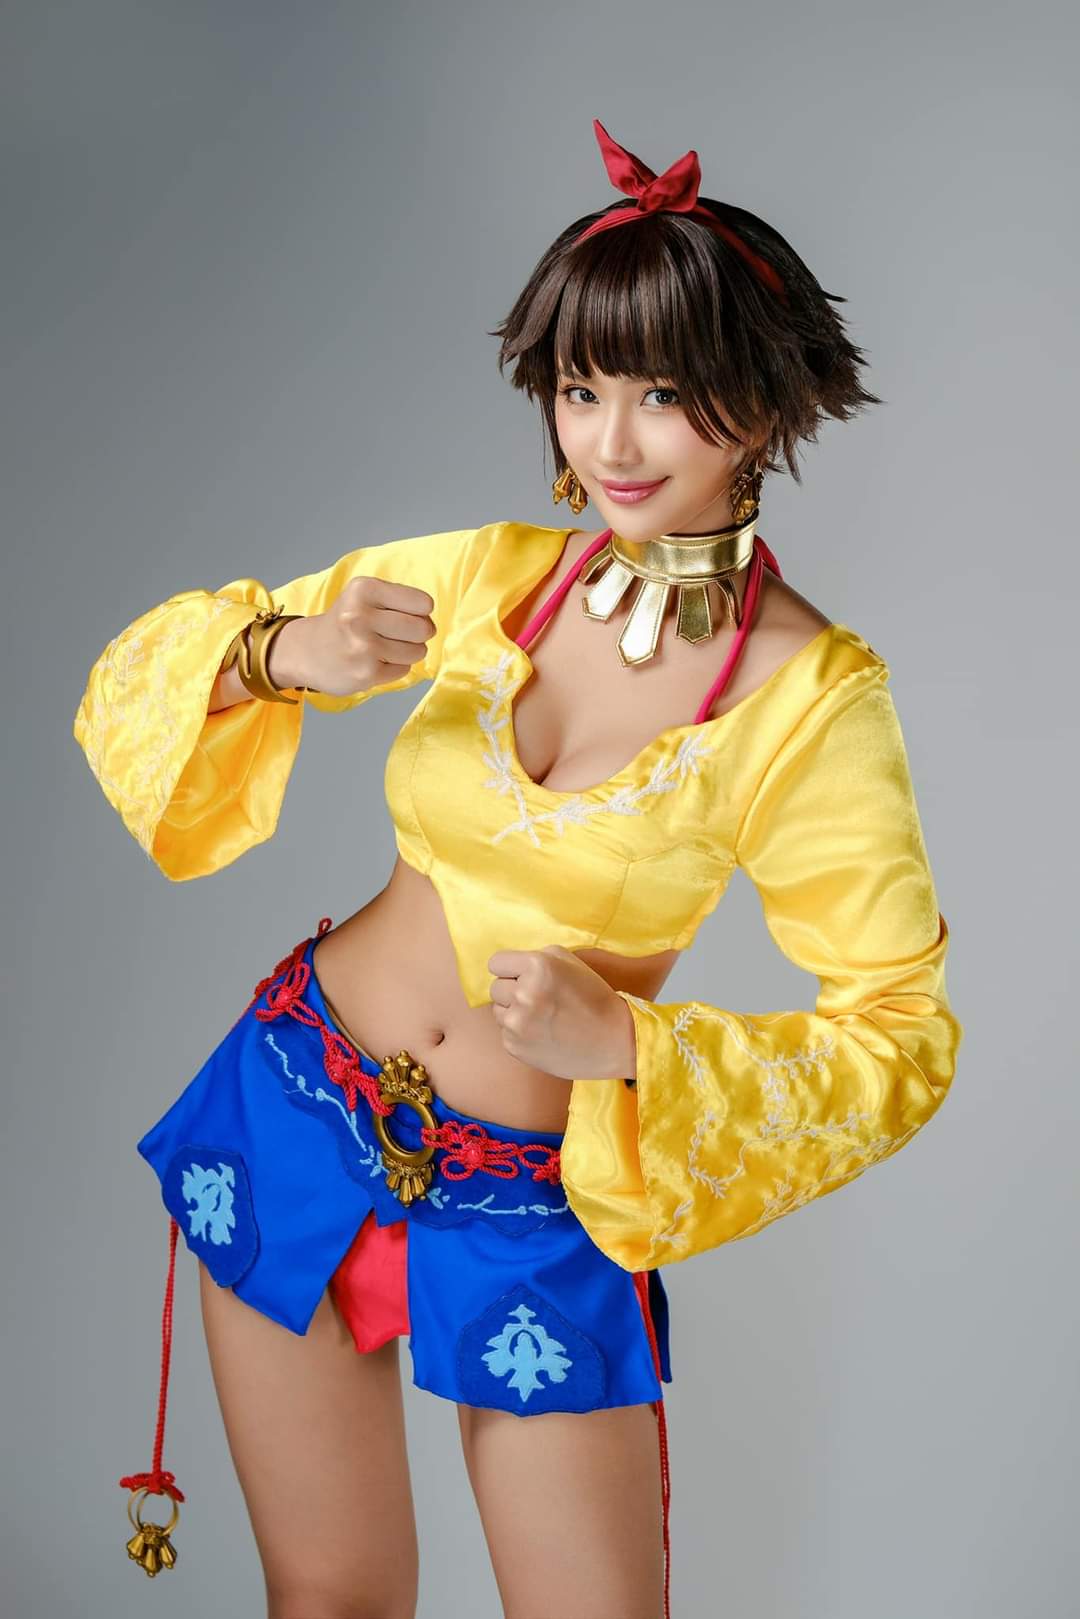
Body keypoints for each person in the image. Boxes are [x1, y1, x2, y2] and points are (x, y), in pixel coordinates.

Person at [73, 119, 963, 1619]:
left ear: (760, 400)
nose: (610, 444)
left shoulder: (814, 703)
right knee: (328, 1599)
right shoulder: (495, 578)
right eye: (580, 388)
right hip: (298, 1099)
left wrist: (635, 1048)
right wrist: (278, 654)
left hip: (530, 1203)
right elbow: (139, 676)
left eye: (663, 395)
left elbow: (899, 1036)